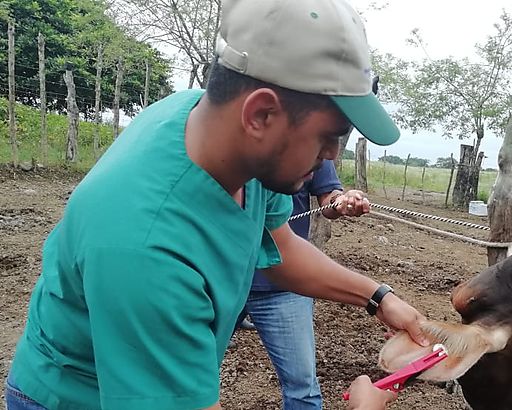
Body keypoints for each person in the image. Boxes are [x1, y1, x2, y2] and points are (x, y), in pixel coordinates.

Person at [5, 0, 428, 409]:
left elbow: (277, 247)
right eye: (329, 136)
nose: (334, 155)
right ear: (260, 114)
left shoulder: (222, 139)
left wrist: (377, 298)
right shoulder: (146, 251)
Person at [239, 159, 367, 409]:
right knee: (193, 375)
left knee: (302, 388)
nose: (328, 150)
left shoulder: (316, 143)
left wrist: (342, 202)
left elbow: (328, 200)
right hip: (223, 280)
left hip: (286, 286)